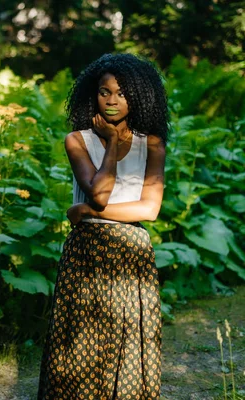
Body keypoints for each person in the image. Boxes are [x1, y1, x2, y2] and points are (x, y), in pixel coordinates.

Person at [37, 53, 169, 400]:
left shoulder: (151, 144)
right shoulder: (78, 140)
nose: (111, 100)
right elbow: (99, 192)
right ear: (91, 95)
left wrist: (85, 211)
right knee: (80, 338)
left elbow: (150, 209)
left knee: (125, 336)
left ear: (140, 96)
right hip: (87, 252)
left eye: (122, 93)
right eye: (104, 91)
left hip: (132, 254)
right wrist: (110, 144)